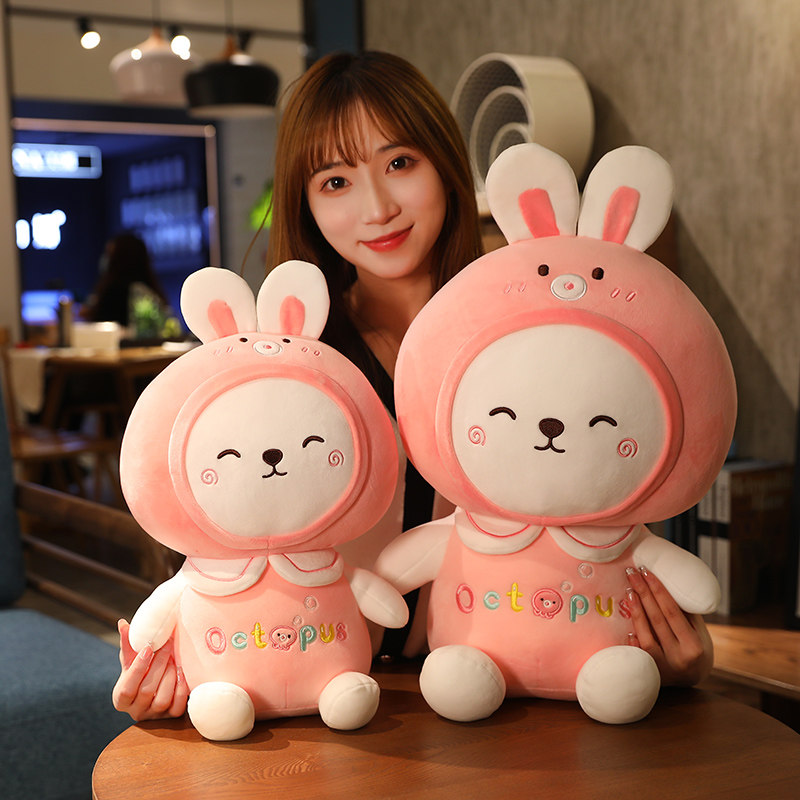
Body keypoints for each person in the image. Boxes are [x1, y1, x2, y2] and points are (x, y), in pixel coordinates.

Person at [113, 51, 711, 722]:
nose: (377, 208)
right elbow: (223, 540)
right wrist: (175, 674)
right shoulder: (286, 370)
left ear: (446, 164)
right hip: (337, 703)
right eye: (335, 181)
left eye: (400, 163)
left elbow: (608, 506)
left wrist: (679, 655)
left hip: (523, 691)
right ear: (305, 204)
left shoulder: (540, 332)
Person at [82, 232, 169, 329]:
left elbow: (100, 326)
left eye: (109, 254)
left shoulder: (115, 292)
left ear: (119, 258)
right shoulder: (149, 290)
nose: (105, 259)